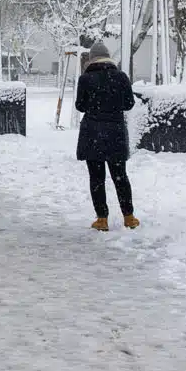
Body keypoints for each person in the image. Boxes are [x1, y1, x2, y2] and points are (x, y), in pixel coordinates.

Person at [74, 40, 138, 231]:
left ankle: (102, 219)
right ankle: (129, 217)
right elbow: (129, 104)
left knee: (96, 178)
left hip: (92, 133)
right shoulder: (121, 77)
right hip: (115, 134)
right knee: (120, 176)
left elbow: (80, 106)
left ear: (92, 59)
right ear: (109, 58)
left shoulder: (85, 79)